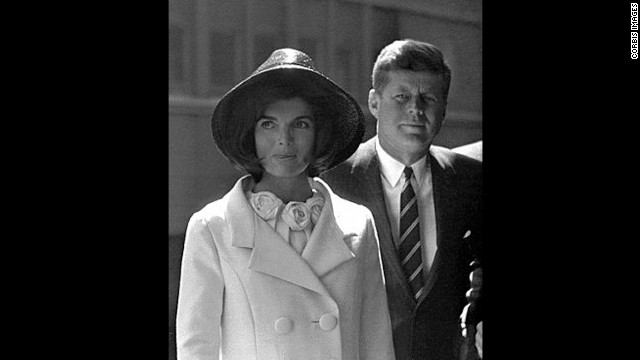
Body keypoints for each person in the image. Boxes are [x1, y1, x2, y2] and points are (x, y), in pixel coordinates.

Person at [176, 48, 395, 360]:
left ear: (320, 133)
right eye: (268, 124)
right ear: (249, 133)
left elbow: (377, 342)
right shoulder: (213, 227)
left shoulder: (358, 223)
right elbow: (197, 349)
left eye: (301, 124)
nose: (285, 139)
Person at [321, 39, 482, 360]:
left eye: (429, 98)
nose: (415, 109)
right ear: (374, 102)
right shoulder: (332, 181)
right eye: (402, 96)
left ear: (444, 109)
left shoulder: (470, 179)